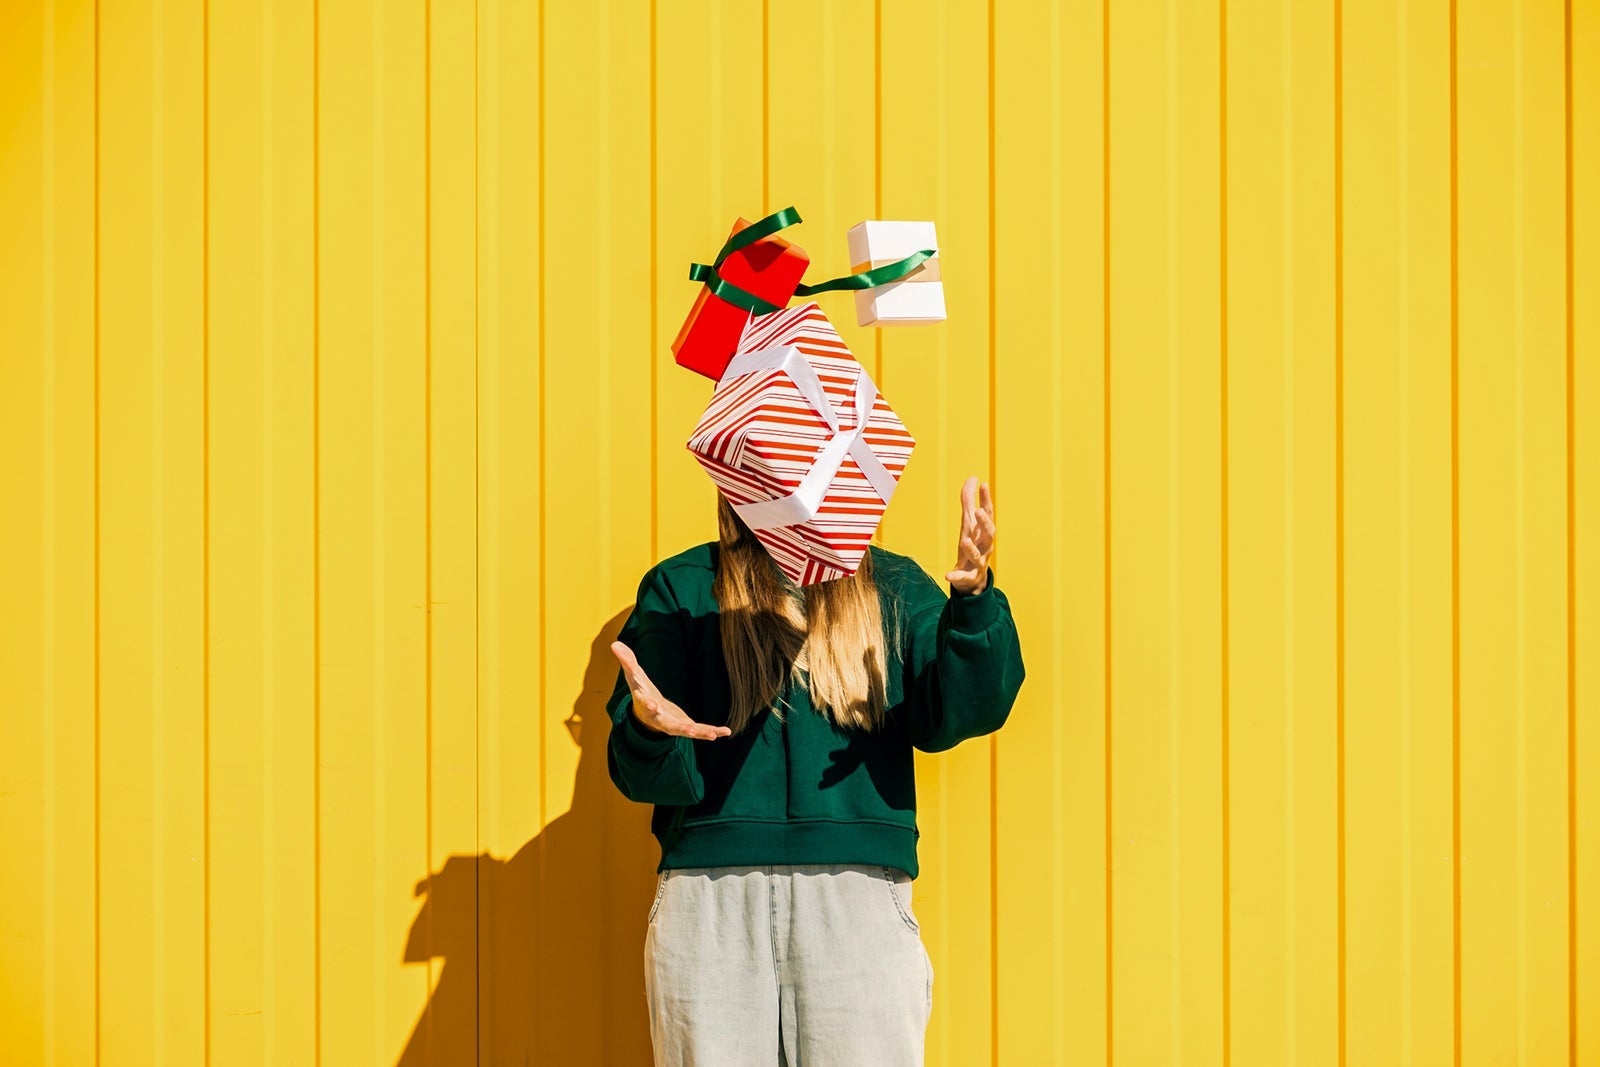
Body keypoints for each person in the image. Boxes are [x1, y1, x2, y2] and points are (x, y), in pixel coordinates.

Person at [605, 475, 1026, 1065]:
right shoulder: (684, 586)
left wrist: (974, 602)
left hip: (856, 899)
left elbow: (959, 712)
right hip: (710, 903)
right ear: (736, 476)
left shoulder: (893, 586)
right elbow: (643, 774)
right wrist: (649, 727)